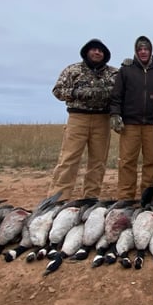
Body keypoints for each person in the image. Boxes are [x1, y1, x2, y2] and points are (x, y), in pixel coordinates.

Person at [47, 38, 118, 201]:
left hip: (102, 120)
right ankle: (58, 199)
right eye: (94, 49)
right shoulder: (73, 70)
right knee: (68, 159)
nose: (97, 52)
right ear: (87, 52)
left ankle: (90, 198)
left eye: (100, 50)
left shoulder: (113, 73)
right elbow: (57, 91)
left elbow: (120, 93)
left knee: (98, 161)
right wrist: (77, 93)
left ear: (105, 54)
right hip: (78, 118)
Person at [110, 36, 153, 206]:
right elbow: (116, 96)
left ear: (151, 51)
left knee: (152, 161)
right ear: (136, 51)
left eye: (146, 49)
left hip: (152, 124)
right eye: (140, 49)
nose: (143, 51)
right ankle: (126, 197)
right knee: (127, 161)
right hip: (130, 124)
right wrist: (115, 114)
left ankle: (148, 197)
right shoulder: (126, 70)